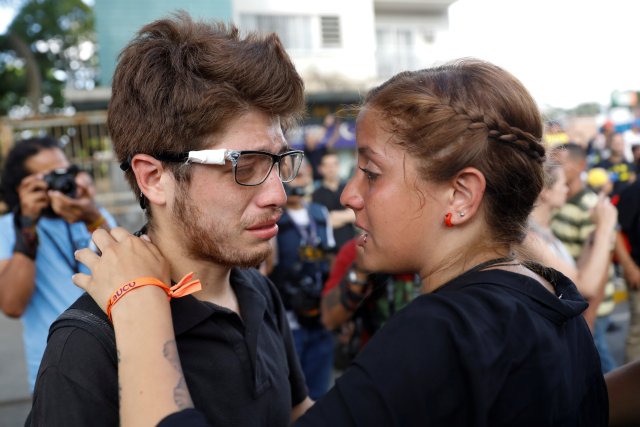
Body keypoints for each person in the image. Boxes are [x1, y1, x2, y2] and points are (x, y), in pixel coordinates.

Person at [74, 59, 608, 426]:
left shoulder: (444, 332)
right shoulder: (548, 294)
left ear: (462, 195)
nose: (349, 195)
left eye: (372, 173)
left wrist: (140, 306)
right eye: (247, 165)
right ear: (152, 178)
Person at [26, 14, 313, 426]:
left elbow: (294, 412)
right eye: (244, 165)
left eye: (279, 161)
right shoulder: (89, 344)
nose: (278, 196)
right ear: (153, 178)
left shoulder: (258, 291)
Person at [0, 136, 115, 391]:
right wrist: (27, 226)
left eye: (66, 173)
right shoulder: (8, 228)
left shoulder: (91, 215)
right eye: (48, 178)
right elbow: (12, 305)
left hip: (112, 359)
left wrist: (92, 215)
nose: (61, 183)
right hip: (55, 369)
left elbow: (128, 272)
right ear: (21, 186)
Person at [267, 160, 335, 399]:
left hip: (320, 316)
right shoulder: (272, 219)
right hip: (288, 319)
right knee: (292, 394)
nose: (299, 179)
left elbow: (329, 260)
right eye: (293, 176)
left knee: (319, 393)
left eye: (303, 174)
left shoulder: (320, 213)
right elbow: (267, 268)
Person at [523, 156, 617, 329]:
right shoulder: (529, 238)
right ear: (545, 191)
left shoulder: (543, 231)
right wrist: (605, 228)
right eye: (563, 184)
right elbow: (583, 288)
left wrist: (594, 235)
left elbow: (576, 274)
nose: (566, 189)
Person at [549, 143, 619, 372]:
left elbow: (602, 262)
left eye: (561, 163)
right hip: (575, 302)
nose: (554, 167)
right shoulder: (559, 202)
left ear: (581, 166)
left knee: (598, 362)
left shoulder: (589, 207)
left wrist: (589, 316)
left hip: (590, 307)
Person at [320, 235, 419, 368]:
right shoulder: (358, 249)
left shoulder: (433, 248)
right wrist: (360, 271)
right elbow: (329, 320)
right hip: (372, 363)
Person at [312, 150, 356, 250]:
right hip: (328, 249)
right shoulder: (316, 194)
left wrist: (334, 216)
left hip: (351, 245)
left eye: (333, 164)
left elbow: (356, 215)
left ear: (338, 166)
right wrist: (346, 215)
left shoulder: (348, 188)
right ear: (321, 169)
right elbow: (324, 221)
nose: (331, 169)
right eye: (327, 165)